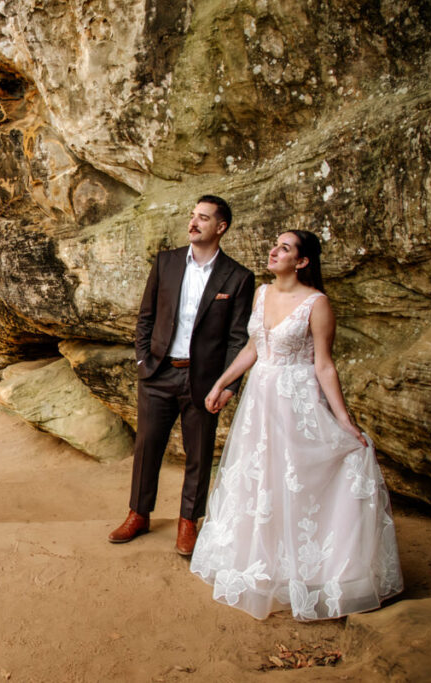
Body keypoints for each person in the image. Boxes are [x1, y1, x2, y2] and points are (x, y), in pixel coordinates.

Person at [190, 230, 403, 620]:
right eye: (276, 244)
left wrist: (344, 422)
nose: (274, 251)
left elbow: (324, 364)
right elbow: (253, 348)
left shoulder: (317, 303)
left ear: (302, 262)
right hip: (260, 398)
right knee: (262, 479)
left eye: (284, 248)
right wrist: (222, 383)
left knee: (298, 481)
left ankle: (314, 571)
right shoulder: (261, 294)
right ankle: (265, 565)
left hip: (297, 399)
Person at [109, 195, 255, 555]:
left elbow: (238, 338)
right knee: (147, 448)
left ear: (220, 227)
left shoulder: (238, 277)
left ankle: (188, 522)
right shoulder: (167, 262)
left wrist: (228, 385)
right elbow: (145, 317)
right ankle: (138, 514)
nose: (193, 223)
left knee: (199, 454)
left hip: (204, 381)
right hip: (158, 373)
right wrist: (144, 363)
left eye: (203, 218)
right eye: (193, 216)